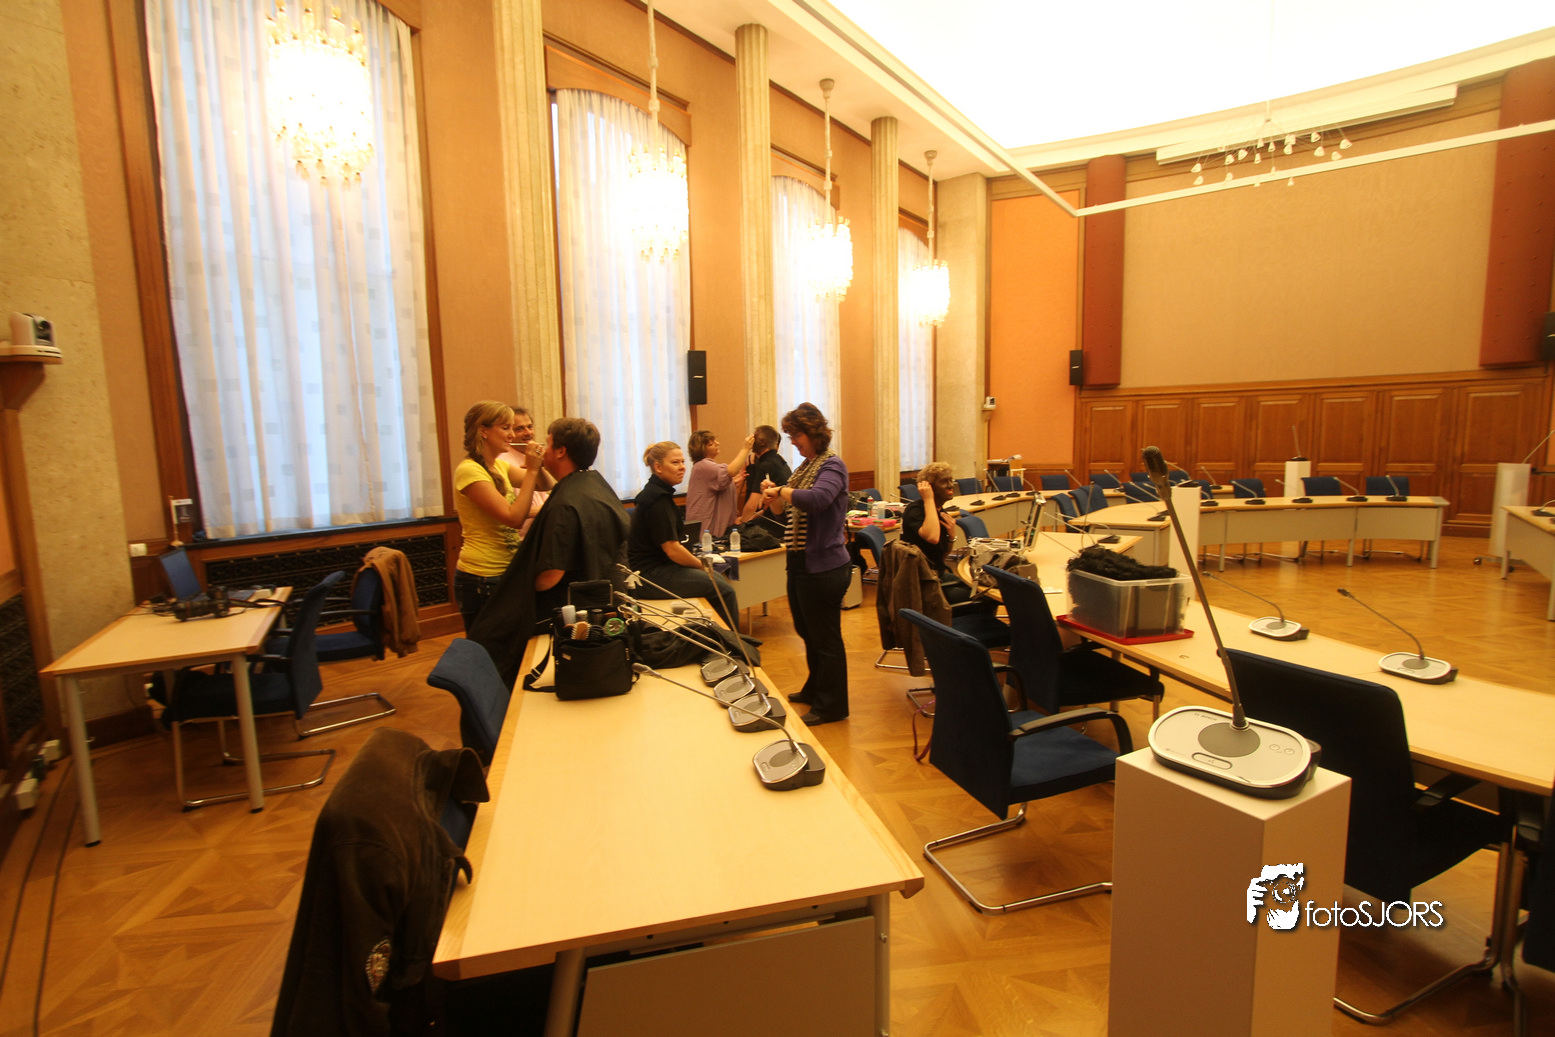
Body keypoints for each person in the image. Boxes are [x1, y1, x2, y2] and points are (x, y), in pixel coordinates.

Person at [468, 417, 631, 688]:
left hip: (569, 604)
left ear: (561, 451)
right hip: (604, 594)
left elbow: (549, 577)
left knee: (491, 634)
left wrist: (519, 584)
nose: (541, 447)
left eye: (548, 443)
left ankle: (497, 696)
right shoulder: (597, 485)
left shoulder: (565, 504)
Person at [760, 403, 850, 725]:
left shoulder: (832, 465)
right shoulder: (805, 468)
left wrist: (782, 490)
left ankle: (832, 706)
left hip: (825, 566)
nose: (793, 442)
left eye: (796, 435)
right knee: (808, 632)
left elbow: (818, 500)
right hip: (801, 562)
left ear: (814, 433)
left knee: (825, 638)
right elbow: (782, 513)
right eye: (790, 436)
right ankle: (815, 689)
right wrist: (774, 497)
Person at [453, 401, 545, 632]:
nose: (512, 435)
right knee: (487, 647)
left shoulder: (499, 466)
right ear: (483, 431)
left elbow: (547, 484)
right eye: (506, 428)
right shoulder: (469, 470)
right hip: (481, 576)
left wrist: (539, 462)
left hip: (505, 570)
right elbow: (513, 518)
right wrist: (532, 469)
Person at [628, 442, 740, 628]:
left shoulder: (658, 493)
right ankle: (729, 642)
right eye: (675, 463)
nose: (682, 467)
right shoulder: (657, 499)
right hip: (648, 576)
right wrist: (702, 566)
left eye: (682, 462)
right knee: (723, 590)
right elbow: (672, 550)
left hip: (658, 568)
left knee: (719, 580)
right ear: (658, 467)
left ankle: (718, 636)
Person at [902, 461, 974, 605]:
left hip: (937, 575)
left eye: (951, 480)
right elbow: (932, 537)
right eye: (944, 481)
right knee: (981, 596)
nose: (950, 485)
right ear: (928, 486)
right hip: (924, 582)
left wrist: (951, 537)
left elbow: (940, 556)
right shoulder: (915, 510)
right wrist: (928, 498)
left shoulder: (940, 512)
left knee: (980, 588)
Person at [497, 405, 554, 538]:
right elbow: (509, 511)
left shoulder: (531, 456)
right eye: (520, 429)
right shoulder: (503, 461)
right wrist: (547, 509)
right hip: (521, 538)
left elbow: (547, 486)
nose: (528, 433)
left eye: (530, 427)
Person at [684, 430, 750, 538]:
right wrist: (746, 448)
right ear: (702, 449)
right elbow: (731, 471)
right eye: (711, 443)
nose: (717, 443)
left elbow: (719, 486)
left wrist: (733, 483)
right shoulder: (702, 466)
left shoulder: (705, 467)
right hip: (706, 531)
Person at [738, 424, 792, 524]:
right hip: (781, 519)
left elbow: (752, 505)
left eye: (754, 437)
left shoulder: (766, 465)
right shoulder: (778, 460)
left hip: (777, 523)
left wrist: (741, 520)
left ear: (762, 442)